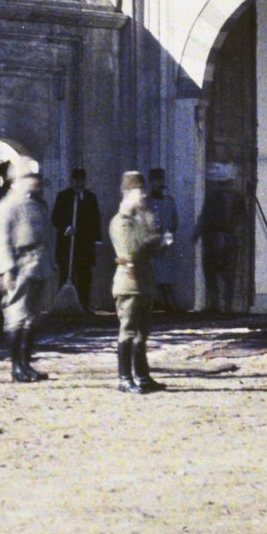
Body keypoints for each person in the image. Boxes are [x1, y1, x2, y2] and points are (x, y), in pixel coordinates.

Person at [0, 159, 57, 383]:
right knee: (17, 317)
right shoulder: (5, 206)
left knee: (33, 318)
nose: (35, 183)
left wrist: (50, 261)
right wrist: (5, 269)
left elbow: (46, 236)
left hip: (37, 264)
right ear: (15, 180)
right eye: (30, 178)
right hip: (18, 266)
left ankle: (26, 364)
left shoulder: (37, 205)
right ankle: (17, 367)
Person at [110, 171, 173, 393]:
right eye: (139, 191)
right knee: (128, 331)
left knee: (142, 333)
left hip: (143, 282)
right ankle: (124, 378)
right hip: (129, 283)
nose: (144, 195)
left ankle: (143, 377)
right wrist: (155, 238)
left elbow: (151, 247)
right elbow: (134, 249)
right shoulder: (121, 222)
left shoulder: (138, 220)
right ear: (127, 193)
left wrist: (161, 242)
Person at [51, 167, 103, 313]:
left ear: (84, 181)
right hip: (67, 243)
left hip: (84, 244)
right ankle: (65, 306)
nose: (78, 183)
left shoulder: (90, 197)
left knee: (85, 274)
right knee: (66, 274)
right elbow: (55, 218)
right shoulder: (63, 196)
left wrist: (97, 239)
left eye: (81, 180)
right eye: (76, 180)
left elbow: (96, 219)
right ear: (71, 180)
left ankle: (84, 305)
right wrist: (65, 228)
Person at [198, 166, 245, 315]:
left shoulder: (213, 196)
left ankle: (215, 305)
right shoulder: (238, 197)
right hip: (231, 238)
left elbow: (205, 218)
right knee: (229, 274)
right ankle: (228, 306)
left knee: (211, 272)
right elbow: (243, 219)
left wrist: (196, 233)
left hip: (214, 238)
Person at [145, 168, 181, 311]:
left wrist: (166, 241)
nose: (158, 184)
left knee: (166, 275)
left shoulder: (169, 201)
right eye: (155, 181)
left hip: (166, 242)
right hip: (151, 243)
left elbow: (173, 224)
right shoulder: (145, 203)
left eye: (160, 180)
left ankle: (170, 303)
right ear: (150, 183)